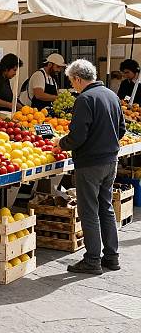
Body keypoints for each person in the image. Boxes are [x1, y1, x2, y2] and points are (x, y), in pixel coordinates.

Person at [53, 59, 125, 275]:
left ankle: (92, 259)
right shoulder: (111, 95)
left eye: (71, 81)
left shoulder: (85, 99)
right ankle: (112, 257)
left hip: (90, 163)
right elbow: (121, 129)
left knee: (89, 211)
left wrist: (60, 143)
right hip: (110, 161)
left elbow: (78, 137)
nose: (72, 86)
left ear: (77, 78)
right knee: (106, 207)